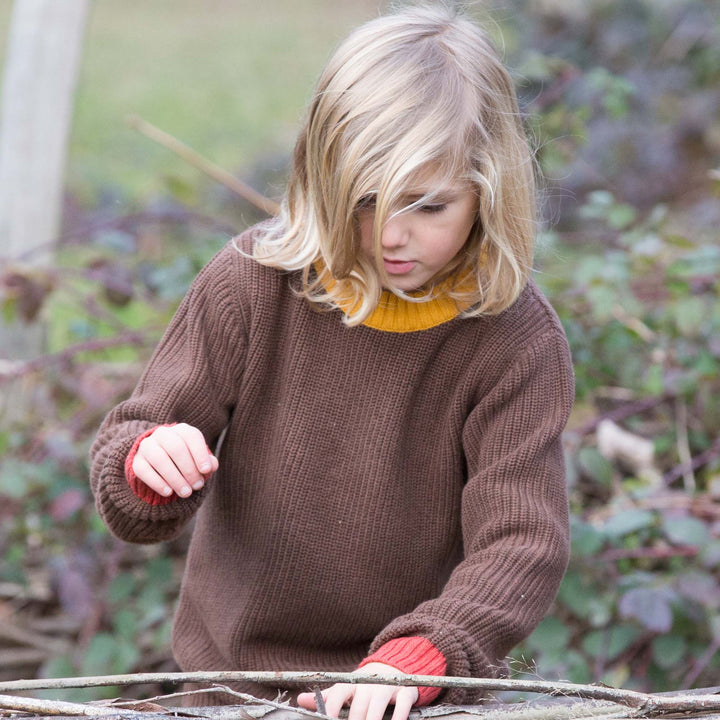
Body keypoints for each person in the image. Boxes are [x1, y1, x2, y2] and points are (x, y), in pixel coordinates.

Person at [90, 4, 574, 720]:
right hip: (232, 688)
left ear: (488, 191)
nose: (391, 234)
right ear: (322, 174)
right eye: (364, 199)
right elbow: (135, 455)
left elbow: (521, 541)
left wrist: (426, 655)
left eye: (429, 206)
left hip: (411, 692)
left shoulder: (513, 342)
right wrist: (149, 462)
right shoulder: (253, 284)